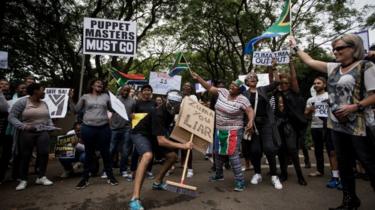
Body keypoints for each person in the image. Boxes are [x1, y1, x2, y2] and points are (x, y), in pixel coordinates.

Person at [290, 34, 375, 210]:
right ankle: (350, 200)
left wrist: (355, 106)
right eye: (334, 48)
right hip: (336, 125)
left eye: (340, 48)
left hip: (359, 126)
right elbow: (310, 61)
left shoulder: (366, 66)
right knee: (344, 165)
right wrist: (295, 47)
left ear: (353, 48)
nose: (335, 51)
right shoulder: (333, 68)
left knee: (369, 163)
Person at [128, 90, 193, 210]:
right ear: (165, 100)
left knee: (172, 157)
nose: (174, 106)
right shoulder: (158, 113)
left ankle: (157, 182)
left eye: (176, 103)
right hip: (141, 134)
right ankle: (134, 198)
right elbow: (161, 141)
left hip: (154, 136)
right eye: (171, 102)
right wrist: (183, 146)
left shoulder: (173, 111)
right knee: (147, 156)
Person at [191, 70, 254, 192]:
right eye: (231, 84)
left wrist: (251, 121)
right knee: (217, 153)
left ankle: (240, 181)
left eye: (235, 86)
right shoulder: (222, 92)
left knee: (233, 155)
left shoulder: (242, 99)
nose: (231, 86)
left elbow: (250, 111)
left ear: (240, 90)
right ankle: (219, 174)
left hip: (234, 131)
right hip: (220, 129)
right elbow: (209, 87)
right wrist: (198, 77)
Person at [8, 83, 55, 190]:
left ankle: (41, 176)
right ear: (35, 91)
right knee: (26, 155)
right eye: (42, 90)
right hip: (27, 132)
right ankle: (23, 179)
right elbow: (11, 117)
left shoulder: (44, 103)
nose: (44, 92)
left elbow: (48, 117)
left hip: (42, 131)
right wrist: (23, 126)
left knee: (43, 153)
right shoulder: (22, 102)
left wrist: (51, 126)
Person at [243, 65, 283, 190]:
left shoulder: (263, 90)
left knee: (269, 148)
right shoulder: (243, 93)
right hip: (252, 125)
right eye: (249, 78)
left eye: (254, 77)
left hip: (265, 123)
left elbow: (277, 82)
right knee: (255, 151)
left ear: (257, 80)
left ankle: (274, 175)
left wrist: (274, 67)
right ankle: (257, 173)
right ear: (246, 82)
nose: (252, 78)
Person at [74, 79, 118, 189]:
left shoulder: (106, 97)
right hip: (88, 128)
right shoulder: (85, 97)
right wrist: (70, 98)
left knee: (105, 153)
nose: (100, 84)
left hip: (103, 128)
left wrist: (116, 103)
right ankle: (85, 179)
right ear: (92, 85)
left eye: (102, 84)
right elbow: (76, 110)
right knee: (89, 153)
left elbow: (113, 109)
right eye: (98, 83)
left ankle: (110, 176)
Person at [273, 60, 308, 186]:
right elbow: (275, 80)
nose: (284, 84)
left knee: (292, 150)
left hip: (290, 126)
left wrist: (292, 63)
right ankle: (284, 174)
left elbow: (294, 78)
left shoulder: (294, 93)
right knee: (281, 151)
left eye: (286, 82)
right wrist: (273, 67)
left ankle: (300, 176)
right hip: (279, 125)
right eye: (282, 83)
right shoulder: (277, 92)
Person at [304, 77, 341, 189]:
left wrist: (329, 104)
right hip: (315, 126)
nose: (316, 85)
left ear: (324, 85)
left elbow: (337, 110)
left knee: (332, 150)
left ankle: (337, 174)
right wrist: (310, 109)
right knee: (318, 150)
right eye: (314, 83)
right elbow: (306, 114)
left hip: (329, 126)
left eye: (318, 83)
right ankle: (320, 170)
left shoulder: (330, 96)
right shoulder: (310, 99)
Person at [109, 84, 135, 178]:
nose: (125, 92)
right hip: (114, 128)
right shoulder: (115, 100)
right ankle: (107, 169)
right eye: (124, 90)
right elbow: (109, 111)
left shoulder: (133, 101)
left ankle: (123, 169)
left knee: (125, 150)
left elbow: (133, 114)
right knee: (111, 149)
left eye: (127, 91)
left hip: (127, 128)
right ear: (120, 90)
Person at [180, 82, 198, 178]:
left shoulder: (193, 97)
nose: (186, 87)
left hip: (188, 124)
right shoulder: (179, 97)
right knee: (180, 147)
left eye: (188, 86)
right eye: (185, 85)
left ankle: (190, 168)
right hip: (178, 124)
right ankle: (183, 165)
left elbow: (195, 109)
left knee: (187, 147)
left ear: (191, 88)